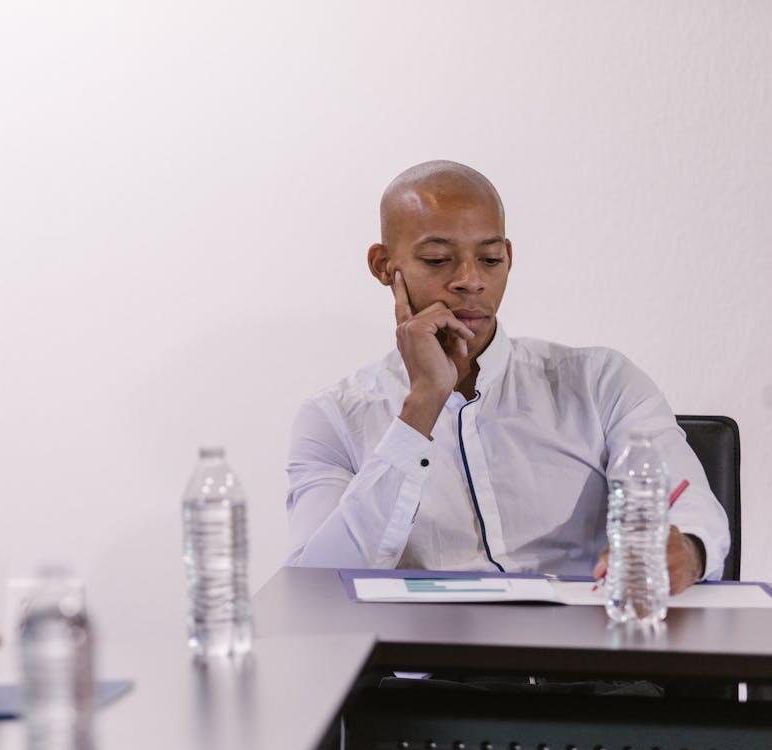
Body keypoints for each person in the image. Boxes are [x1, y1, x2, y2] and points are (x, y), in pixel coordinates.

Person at [285, 160, 728, 591]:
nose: (470, 280)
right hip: (431, 661)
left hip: (583, 655)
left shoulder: (601, 382)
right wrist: (422, 405)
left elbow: (689, 508)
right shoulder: (333, 418)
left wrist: (684, 549)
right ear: (384, 266)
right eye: (438, 260)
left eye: (490, 259)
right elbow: (316, 585)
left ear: (509, 257)